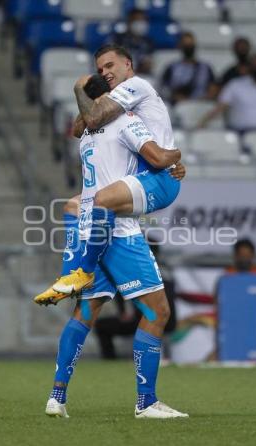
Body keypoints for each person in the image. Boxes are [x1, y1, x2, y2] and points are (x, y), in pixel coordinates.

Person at [43, 75, 189, 420]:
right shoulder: (125, 119)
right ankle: (146, 402)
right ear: (110, 98)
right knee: (158, 313)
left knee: (86, 313)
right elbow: (153, 157)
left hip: (88, 226)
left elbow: (114, 159)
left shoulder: (86, 136)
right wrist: (176, 156)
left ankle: (56, 396)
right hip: (117, 231)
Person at [51, 45, 186, 297]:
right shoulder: (119, 98)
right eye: (100, 70)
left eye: (110, 65)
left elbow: (90, 121)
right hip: (149, 168)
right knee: (75, 205)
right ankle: (77, 275)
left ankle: (83, 270)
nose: (105, 73)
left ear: (128, 64)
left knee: (101, 201)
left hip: (158, 173)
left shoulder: (136, 86)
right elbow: (79, 128)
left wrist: (80, 88)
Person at [197, 54, 256, 133]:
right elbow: (221, 107)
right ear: (251, 67)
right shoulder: (235, 85)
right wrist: (203, 122)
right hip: (241, 132)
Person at [159, 31, 217, 105]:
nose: (188, 46)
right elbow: (163, 88)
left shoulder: (206, 68)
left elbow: (213, 87)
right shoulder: (172, 68)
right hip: (178, 106)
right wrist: (174, 96)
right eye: (185, 44)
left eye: (190, 44)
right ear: (180, 45)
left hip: (200, 105)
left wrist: (206, 97)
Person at [111, 8, 154, 75]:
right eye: (136, 20)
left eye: (142, 20)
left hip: (140, 76)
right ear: (129, 21)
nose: (139, 23)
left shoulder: (148, 42)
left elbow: (148, 65)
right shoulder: (118, 40)